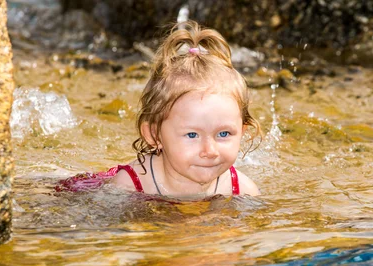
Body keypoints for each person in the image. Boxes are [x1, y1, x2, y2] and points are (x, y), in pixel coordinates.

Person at [57, 20, 262, 197]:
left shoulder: (243, 191)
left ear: (242, 132)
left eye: (224, 133)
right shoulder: (130, 186)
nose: (209, 151)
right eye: (192, 135)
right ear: (155, 134)